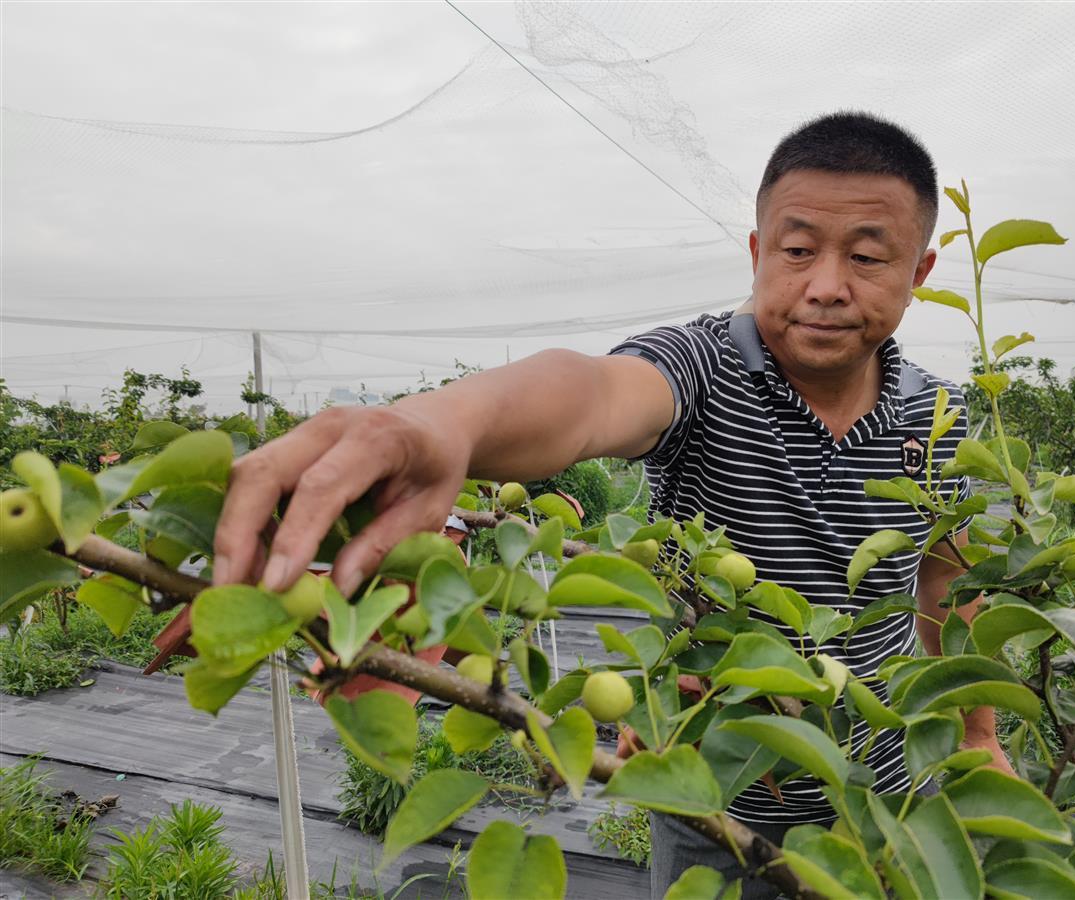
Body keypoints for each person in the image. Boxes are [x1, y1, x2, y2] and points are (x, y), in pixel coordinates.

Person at [212, 111, 1010, 899]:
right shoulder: (703, 367)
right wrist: (443, 421)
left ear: (921, 271)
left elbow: (945, 583)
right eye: (798, 251)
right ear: (759, 252)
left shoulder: (938, 416)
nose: (826, 286)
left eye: (868, 257)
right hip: (709, 799)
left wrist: (976, 734)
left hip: (887, 803)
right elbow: (593, 394)